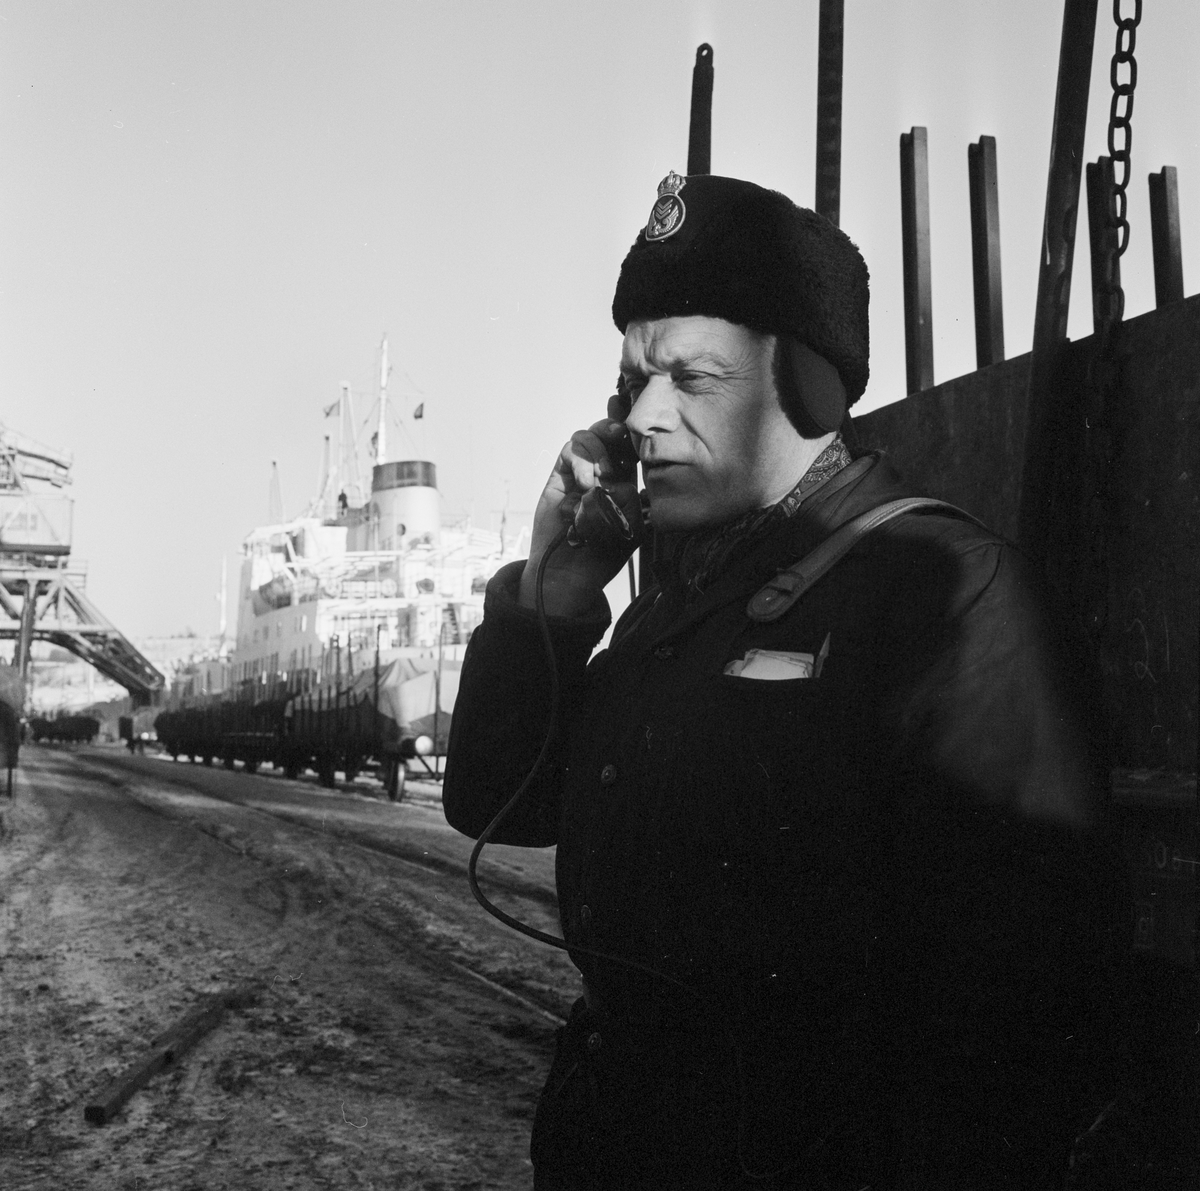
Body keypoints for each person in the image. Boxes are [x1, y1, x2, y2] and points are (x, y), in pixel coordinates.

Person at [443, 174, 1119, 1189]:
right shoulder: (677, 597)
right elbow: (497, 801)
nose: (643, 417)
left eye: (691, 378)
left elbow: (1016, 1028)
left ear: (808, 387)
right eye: (633, 381)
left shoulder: (941, 594)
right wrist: (555, 592)